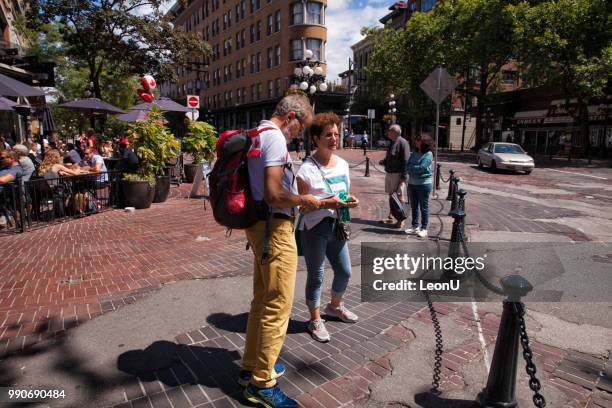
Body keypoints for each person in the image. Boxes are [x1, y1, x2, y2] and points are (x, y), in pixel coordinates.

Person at [239, 94, 319, 408]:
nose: (299, 133)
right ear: (289, 116)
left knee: (261, 301)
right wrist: (304, 200)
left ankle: (251, 368)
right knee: (278, 306)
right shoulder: (274, 139)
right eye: (301, 127)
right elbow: (273, 193)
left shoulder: (256, 134)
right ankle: (262, 383)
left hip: (259, 226)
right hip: (276, 228)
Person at [296, 112, 360, 343]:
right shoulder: (306, 170)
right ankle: (315, 319)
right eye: (328, 134)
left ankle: (334, 306)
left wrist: (350, 199)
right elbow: (302, 207)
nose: (334, 138)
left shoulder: (342, 164)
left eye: (336, 133)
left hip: (338, 225)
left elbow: (343, 193)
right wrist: (326, 203)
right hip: (315, 228)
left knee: (344, 271)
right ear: (316, 139)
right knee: (317, 275)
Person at [379, 124, 410, 228]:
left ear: (395, 132)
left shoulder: (403, 142)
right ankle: (391, 216)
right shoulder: (392, 142)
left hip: (398, 174)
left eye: (389, 131)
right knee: (392, 196)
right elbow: (390, 156)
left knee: (399, 196)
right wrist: (384, 161)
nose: (388, 133)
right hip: (390, 172)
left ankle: (401, 219)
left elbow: (406, 160)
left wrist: (403, 177)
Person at [405, 134, 434, 239]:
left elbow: (422, 168)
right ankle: (415, 226)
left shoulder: (428, 154)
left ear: (424, 143)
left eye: (418, 141)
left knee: (424, 207)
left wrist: (412, 168)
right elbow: (408, 165)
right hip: (412, 183)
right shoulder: (414, 153)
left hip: (424, 184)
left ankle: (424, 228)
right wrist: (413, 168)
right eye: (416, 140)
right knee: (414, 206)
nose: (416, 142)